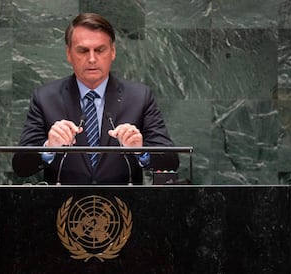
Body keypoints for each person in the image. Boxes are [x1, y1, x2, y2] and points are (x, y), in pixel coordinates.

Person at [12, 12, 179, 185]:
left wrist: (141, 150)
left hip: (124, 207)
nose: (92, 59)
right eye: (83, 51)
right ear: (69, 53)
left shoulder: (139, 97)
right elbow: (21, 167)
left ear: (112, 52)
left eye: (99, 50)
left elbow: (171, 161)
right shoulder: (46, 98)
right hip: (63, 207)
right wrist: (48, 147)